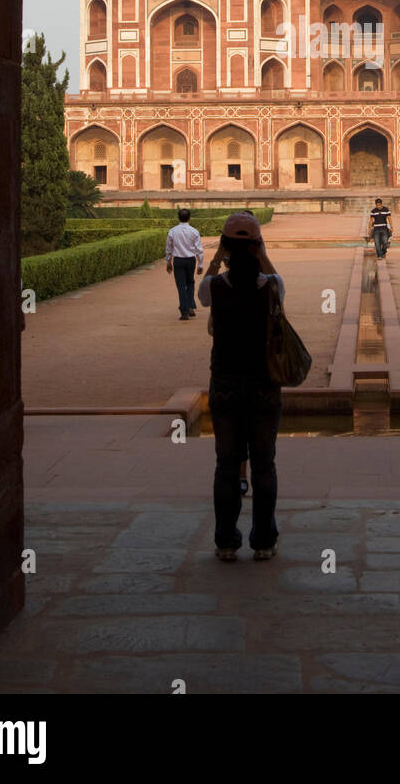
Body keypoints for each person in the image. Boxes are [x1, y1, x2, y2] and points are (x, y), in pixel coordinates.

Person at [198, 212, 284, 561]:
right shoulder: (272, 285)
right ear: (256, 245)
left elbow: (203, 290)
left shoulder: (215, 287)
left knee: (227, 465)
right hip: (264, 385)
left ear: (226, 247)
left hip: (225, 385)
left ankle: (225, 542)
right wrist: (261, 253)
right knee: (264, 464)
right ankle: (263, 541)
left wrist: (219, 256)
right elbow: (273, 276)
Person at [165, 207, 204, 319]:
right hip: (191, 260)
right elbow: (199, 249)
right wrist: (200, 264)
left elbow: (169, 248)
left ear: (178, 217)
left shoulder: (173, 231)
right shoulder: (194, 231)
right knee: (190, 283)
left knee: (181, 285)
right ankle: (190, 307)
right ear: (189, 218)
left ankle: (184, 311)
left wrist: (168, 262)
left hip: (178, 260)